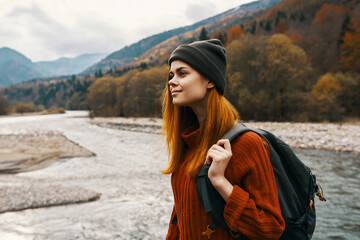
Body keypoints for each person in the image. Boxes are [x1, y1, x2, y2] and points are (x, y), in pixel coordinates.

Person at [161, 39, 285, 240]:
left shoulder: (246, 144)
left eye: (182, 73)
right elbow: (180, 219)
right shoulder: (188, 143)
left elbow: (270, 229)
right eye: (171, 75)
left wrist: (220, 182)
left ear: (210, 80)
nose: (171, 81)